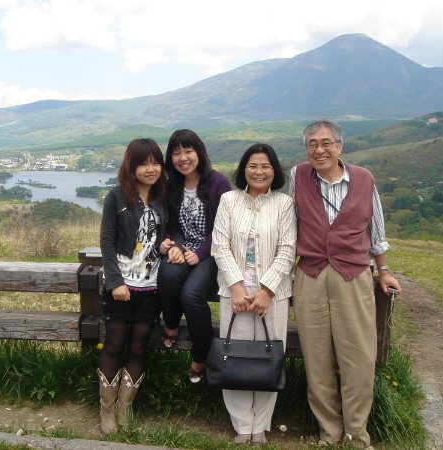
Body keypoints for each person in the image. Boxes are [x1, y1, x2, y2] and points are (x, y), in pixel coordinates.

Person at [288, 120, 402, 449]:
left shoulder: (364, 178)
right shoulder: (298, 176)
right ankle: (329, 432)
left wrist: (384, 271)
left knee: (358, 357)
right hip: (310, 274)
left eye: (326, 143)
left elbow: (376, 230)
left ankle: (356, 434)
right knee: (316, 357)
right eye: (312, 144)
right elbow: (289, 224)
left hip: (353, 274)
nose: (319, 150)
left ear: (339, 146)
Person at [211, 143, 296, 446]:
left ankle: (260, 425)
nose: (259, 171)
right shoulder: (228, 200)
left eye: (265, 166)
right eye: (253, 165)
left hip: (272, 294)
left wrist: (266, 290)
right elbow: (219, 245)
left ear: (275, 170)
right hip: (233, 292)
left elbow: (288, 249)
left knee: (268, 356)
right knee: (233, 355)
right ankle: (241, 424)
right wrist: (236, 285)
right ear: (243, 169)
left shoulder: (284, 203)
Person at [98, 138, 167, 434]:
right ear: (131, 166)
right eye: (143, 163)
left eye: (155, 162)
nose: (151, 169)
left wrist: (169, 244)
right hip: (121, 286)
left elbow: (169, 234)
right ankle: (106, 410)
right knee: (114, 344)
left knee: (139, 347)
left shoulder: (163, 197)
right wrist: (115, 282)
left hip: (151, 287)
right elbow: (107, 240)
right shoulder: (117, 197)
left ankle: (125, 408)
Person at [158, 129, 232, 383]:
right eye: (176, 153)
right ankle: (171, 323)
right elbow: (170, 224)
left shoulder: (219, 183)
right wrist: (173, 244)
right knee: (167, 273)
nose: (183, 158)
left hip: (213, 252)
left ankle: (200, 356)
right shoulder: (171, 185)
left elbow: (224, 228)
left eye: (188, 151)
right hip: (184, 248)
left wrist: (199, 253)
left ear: (199, 152)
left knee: (191, 295)